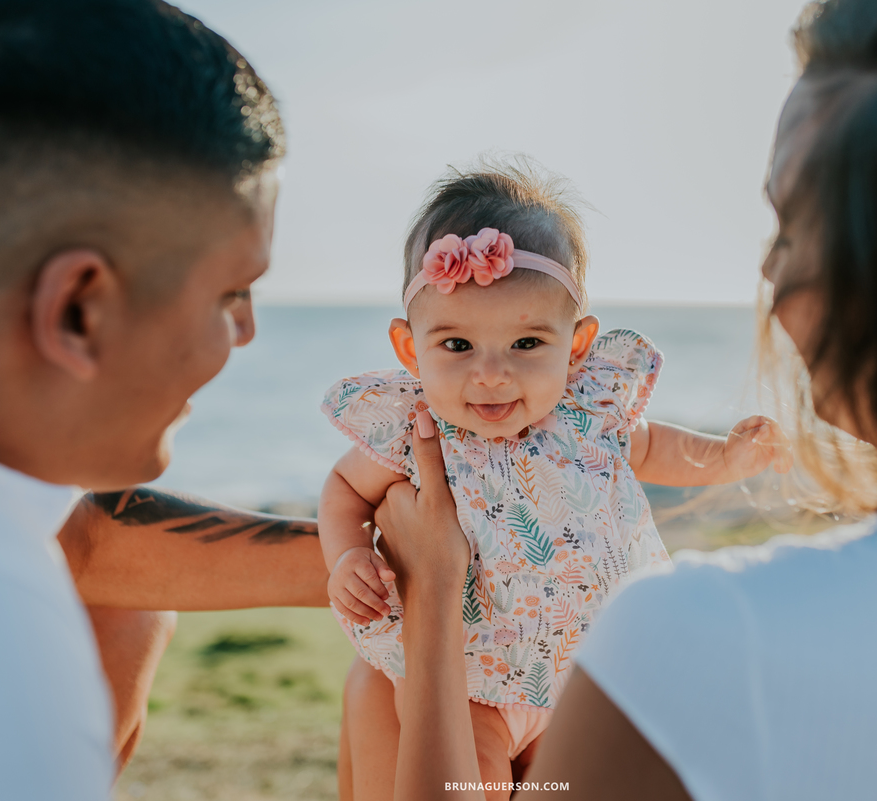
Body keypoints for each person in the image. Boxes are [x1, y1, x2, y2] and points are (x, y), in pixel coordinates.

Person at [368, 0, 877, 798]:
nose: (769, 274)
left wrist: (435, 592)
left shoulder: (698, 642)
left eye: (791, 228)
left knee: (369, 703)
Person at [0, 1, 327, 798]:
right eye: (232, 291)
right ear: (79, 309)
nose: (245, 332)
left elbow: (87, 541)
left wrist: (389, 559)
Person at [318, 163, 793, 799]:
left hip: (584, 672)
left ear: (575, 345)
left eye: (525, 344)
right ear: (410, 350)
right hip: (469, 684)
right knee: (473, 782)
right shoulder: (415, 429)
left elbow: (657, 448)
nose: (490, 374)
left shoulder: (590, 412)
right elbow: (344, 491)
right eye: (457, 345)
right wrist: (347, 551)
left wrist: (728, 459)